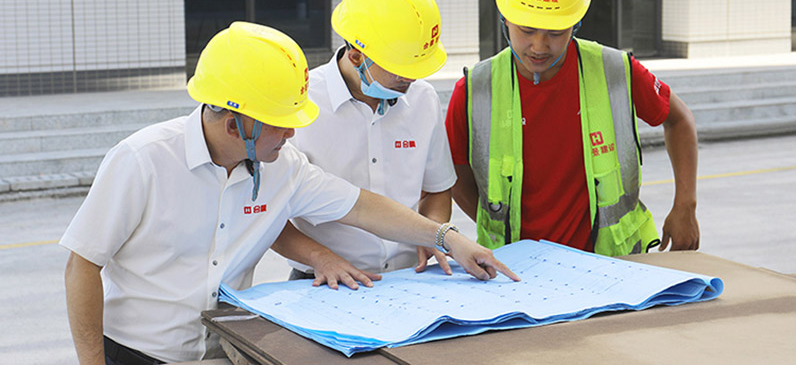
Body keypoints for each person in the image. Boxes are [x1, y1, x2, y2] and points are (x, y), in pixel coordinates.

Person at [61, 22, 518, 365]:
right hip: (135, 353)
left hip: (223, 348)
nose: (292, 134)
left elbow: (362, 207)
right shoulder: (143, 161)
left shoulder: (283, 167)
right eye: (282, 123)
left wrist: (448, 238)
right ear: (236, 124)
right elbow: (82, 265)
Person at [445, 0, 700, 257]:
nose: (539, 46)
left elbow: (679, 120)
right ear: (504, 18)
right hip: (517, 269)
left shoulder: (615, 72)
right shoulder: (475, 91)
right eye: (526, 30)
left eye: (555, 32)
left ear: (576, 22)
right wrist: (495, 220)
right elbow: (453, 172)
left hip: (612, 266)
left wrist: (685, 205)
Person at [270, 0, 456, 289]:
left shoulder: (423, 100)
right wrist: (319, 257)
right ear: (357, 56)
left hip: (408, 278)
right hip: (321, 282)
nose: (410, 79)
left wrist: (433, 232)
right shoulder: (301, 105)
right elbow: (267, 214)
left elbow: (438, 188)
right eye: (400, 69)